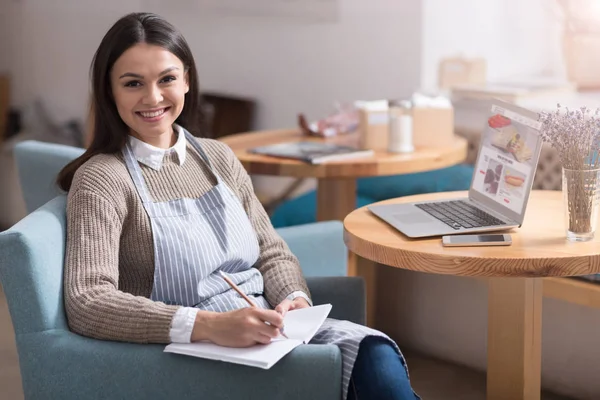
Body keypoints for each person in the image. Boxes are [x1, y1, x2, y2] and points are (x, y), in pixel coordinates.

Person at [57, 12, 419, 400]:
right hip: (187, 352)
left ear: (187, 80)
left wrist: (293, 299)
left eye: (167, 79)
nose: (153, 97)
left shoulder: (218, 157)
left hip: (266, 328)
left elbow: (271, 251)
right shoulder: (102, 179)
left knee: (377, 357)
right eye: (133, 84)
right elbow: (87, 301)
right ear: (109, 91)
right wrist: (210, 325)